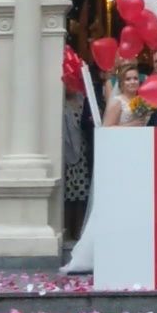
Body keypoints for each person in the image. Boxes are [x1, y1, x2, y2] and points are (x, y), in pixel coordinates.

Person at [63, 86, 89, 240]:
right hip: (68, 152)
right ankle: (68, 230)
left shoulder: (82, 98)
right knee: (69, 195)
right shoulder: (60, 103)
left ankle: (80, 231)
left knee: (82, 193)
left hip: (84, 151)